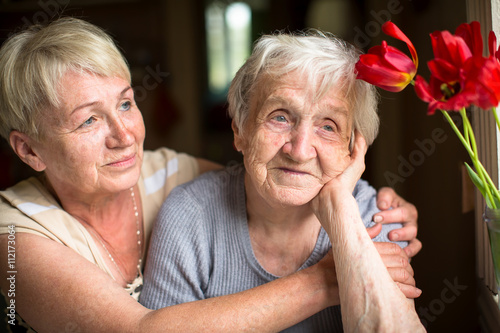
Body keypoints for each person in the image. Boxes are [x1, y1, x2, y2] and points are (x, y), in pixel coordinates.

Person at [0, 17, 420, 332]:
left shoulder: (168, 172)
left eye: (126, 103)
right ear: (29, 149)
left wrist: (349, 203)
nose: (125, 135)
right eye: (89, 120)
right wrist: (333, 275)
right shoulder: (13, 236)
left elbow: (271, 178)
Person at [140, 30, 425, 331]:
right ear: (240, 130)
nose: (299, 151)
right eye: (280, 117)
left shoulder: (374, 220)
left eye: (328, 126)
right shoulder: (189, 216)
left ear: (354, 148)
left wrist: (342, 214)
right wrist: (328, 280)